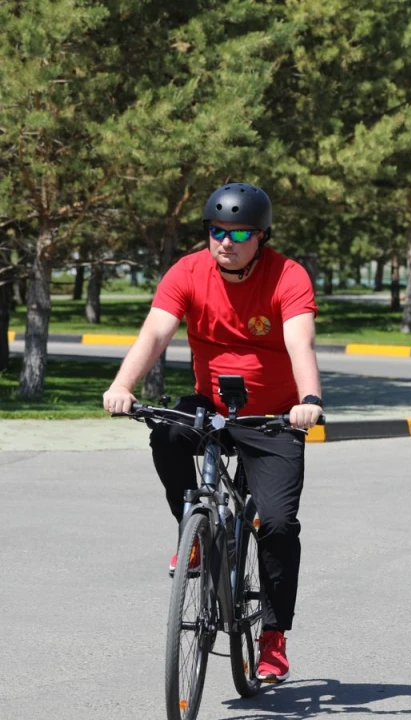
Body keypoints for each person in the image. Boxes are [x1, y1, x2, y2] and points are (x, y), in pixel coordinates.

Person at [102, 183, 322, 684]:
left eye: (239, 232)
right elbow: (155, 332)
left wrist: (308, 401)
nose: (226, 241)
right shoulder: (187, 271)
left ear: (261, 236)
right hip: (213, 409)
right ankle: (192, 526)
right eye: (216, 231)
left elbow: (299, 343)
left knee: (280, 525)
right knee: (168, 432)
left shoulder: (288, 276)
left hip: (274, 418)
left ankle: (272, 636)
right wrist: (122, 385)